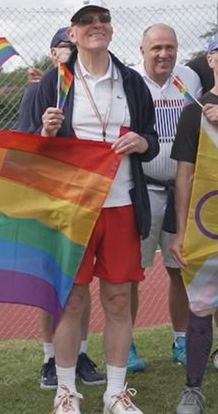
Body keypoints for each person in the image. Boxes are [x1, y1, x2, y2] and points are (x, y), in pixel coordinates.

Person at [30, 0, 158, 414]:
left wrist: (141, 143)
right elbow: (29, 148)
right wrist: (44, 132)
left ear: (111, 29)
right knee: (72, 301)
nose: (96, 26)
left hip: (121, 204)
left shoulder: (130, 82)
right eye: (86, 22)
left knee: (119, 300)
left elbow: (150, 137)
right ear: (72, 33)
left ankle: (115, 393)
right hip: (72, 208)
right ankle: (66, 392)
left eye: (103, 20)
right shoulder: (53, 82)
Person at [15, 27, 106, 391]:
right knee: (54, 283)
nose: (67, 52)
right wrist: (43, 131)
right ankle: (50, 357)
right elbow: (22, 147)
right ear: (52, 53)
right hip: (50, 200)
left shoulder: (91, 89)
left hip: (86, 198)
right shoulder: (39, 91)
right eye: (61, 47)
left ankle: (80, 353)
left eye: (72, 46)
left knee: (81, 284)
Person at [129, 23, 202, 372]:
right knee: (131, 271)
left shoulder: (191, 78)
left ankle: (182, 340)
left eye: (170, 47)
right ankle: (124, 343)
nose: (163, 54)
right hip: (142, 189)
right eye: (156, 48)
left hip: (182, 191)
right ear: (142, 50)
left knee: (179, 270)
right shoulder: (128, 82)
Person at [170, 33, 218, 414]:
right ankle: (193, 388)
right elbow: (183, 175)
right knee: (200, 305)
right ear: (211, 60)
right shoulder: (193, 112)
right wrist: (182, 233)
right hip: (207, 227)